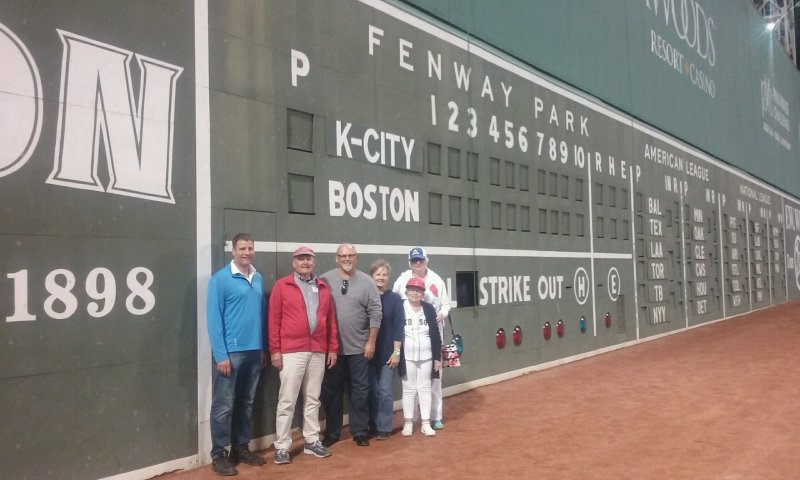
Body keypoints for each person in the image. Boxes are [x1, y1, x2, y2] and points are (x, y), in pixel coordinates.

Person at [268, 246, 339, 465]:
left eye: (308, 259)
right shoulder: (282, 286)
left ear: (313, 262)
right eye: (301, 259)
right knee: (287, 401)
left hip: (317, 350)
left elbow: (330, 321)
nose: (305, 262)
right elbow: (273, 320)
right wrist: (275, 350)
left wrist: (333, 348)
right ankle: (281, 446)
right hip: (291, 351)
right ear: (294, 263)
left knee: (312, 399)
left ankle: (311, 441)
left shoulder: (323, 287)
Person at [207, 233, 267, 476]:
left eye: (250, 248)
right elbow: (213, 319)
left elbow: (260, 315)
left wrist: (262, 347)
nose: (247, 252)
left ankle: (240, 448)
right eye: (242, 248)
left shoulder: (258, 277)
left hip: (254, 353)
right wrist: (221, 354)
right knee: (223, 406)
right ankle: (218, 455)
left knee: (246, 403)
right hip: (230, 355)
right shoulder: (220, 279)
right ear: (233, 251)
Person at [320, 244, 383, 447]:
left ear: (356, 258)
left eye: (351, 255)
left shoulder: (367, 282)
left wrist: (371, 341)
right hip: (333, 351)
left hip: (359, 349)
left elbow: (375, 312)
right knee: (332, 392)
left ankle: (359, 431)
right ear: (336, 258)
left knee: (360, 391)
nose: (347, 259)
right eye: (343, 255)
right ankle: (332, 432)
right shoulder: (324, 280)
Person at [392, 247, 451, 430]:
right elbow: (394, 301)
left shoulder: (436, 280)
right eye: (414, 260)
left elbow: (447, 303)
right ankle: (412, 419)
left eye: (421, 260)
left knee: (433, 380)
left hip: (432, 334)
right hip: (408, 335)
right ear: (410, 262)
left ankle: (435, 417)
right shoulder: (402, 280)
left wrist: (442, 312)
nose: (418, 263)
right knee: (410, 384)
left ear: (427, 260)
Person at [367, 259, 405, 440]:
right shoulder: (366, 296)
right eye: (377, 274)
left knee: (385, 391)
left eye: (384, 274)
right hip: (368, 354)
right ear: (371, 276)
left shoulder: (395, 299)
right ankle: (372, 425)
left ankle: (384, 427)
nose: (381, 278)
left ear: (388, 278)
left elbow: (399, 327)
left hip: (389, 355)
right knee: (371, 392)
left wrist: (396, 352)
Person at [400, 277, 442, 437]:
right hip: (407, 356)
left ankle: (425, 423)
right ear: (406, 291)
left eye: (418, 290)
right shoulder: (401, 307)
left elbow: (435, 334)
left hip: (427, 355)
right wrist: (396, 354)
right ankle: (408, 423)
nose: (415, 293)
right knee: (409, 389)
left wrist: (437, 357)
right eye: (412, 289)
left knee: (425, 388)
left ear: (423, 293)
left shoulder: (429, 309)